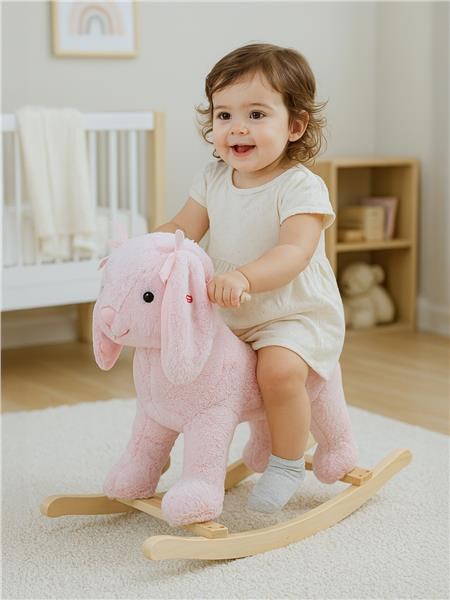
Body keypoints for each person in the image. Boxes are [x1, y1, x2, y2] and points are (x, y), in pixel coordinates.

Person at [155, 42, 346, 513]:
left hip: (291, 311)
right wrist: (142, 252)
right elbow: (182, 228)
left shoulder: (300, 186)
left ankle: (286, 461)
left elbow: (294, 252)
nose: (237, 127)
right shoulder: (213, 178)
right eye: (224, 115)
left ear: (295, 126)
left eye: (256, 114)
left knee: (278, 372)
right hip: (231, 309)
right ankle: (178, 457)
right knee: (200, 375)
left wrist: (244, 276)